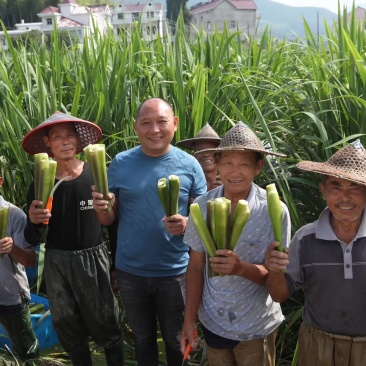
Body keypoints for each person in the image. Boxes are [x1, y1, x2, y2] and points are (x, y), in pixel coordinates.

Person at [92, 97, 207, 366]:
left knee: (175, 339)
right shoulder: (120, 163)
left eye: (162, 122)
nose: (154, 130)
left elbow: (204, 222)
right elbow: (109, 219)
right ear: (136, 128)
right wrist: (101, 207)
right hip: (131, 271)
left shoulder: (190, 166)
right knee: (142, 340)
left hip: (175, 271)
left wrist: (187, 225)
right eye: (146, 123)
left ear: (175, 124)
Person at [179, 121, 291, 366]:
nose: (234, 171)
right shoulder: (202, 207)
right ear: (217, 163)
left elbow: (276, 275)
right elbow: (196, 266)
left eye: (243, 164)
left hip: (256, 325)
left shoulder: (273, 211)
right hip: (213, 320)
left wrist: (241, 268)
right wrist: (189, 321)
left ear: (258, 167)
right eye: (227, 162)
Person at [22, 112, 124, 366]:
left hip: (94, 258)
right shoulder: (40, 182)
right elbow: (32, 236)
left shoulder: (96, 174)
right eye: (57, 137)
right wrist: (33, 220)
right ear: (48, 143)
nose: (65, 142)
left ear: (79, 142)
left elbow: (114, 224)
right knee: (67, 325)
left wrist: (115, 266)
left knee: (106, 323)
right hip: (57, 262)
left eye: (70, 136)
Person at [265, 139, 366, 365]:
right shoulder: (305, 239)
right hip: (318, 346)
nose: (345, 198)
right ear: (323, 190)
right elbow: (279, 295)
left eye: (355, 188)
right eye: (336, 187)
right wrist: (273, 270)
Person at [0, 171, 39, 365]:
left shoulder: (14, 214)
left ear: (0, 182)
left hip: (10, 295)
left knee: (27, 352)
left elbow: (31, 260)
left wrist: (12, 248)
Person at [176, 123, 221, 191]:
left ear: (219, 155)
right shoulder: (187, 183)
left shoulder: (229, 181)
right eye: (201, 150)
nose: (206, 154)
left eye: (211, 150)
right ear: (193, 155)